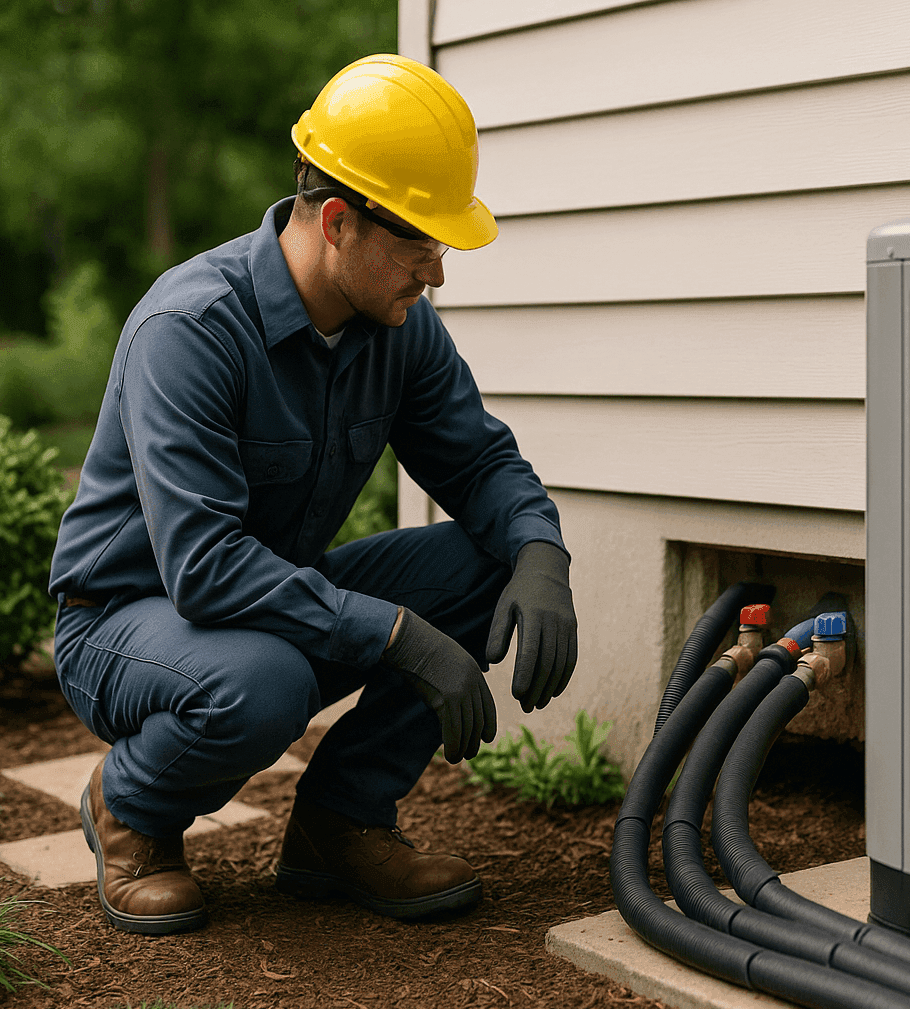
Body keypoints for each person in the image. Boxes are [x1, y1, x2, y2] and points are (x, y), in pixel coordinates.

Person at [48, 54, 578, 935]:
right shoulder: (191, 331)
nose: (437, 272)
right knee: (262, 680)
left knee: (486, 561)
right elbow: (207, 569)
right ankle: (129, 806)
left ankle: (341, 823)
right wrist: (401, 637)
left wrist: (541, 554)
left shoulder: (397, 328)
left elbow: (479, 466)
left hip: (267, 603)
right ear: (338, 222)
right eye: (419, 245)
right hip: (124, 622)